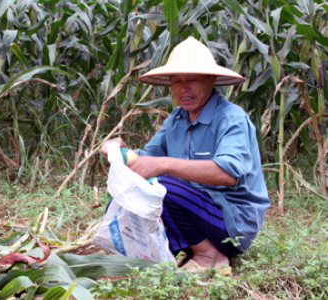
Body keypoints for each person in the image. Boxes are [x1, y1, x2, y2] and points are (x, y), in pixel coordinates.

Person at [100, 36, 270, 274]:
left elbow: (228, 175)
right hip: (197, 212)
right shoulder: (177, 118)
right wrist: (117, 150)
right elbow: (146, 159)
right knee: (130, 193)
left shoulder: (231, 119)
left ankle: (209, 255)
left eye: (192, 80)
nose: (183, 88)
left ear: (211, 80)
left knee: (164, 186)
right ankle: (158, 255)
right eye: (177, 81)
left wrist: (164, 165)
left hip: (233, 223)